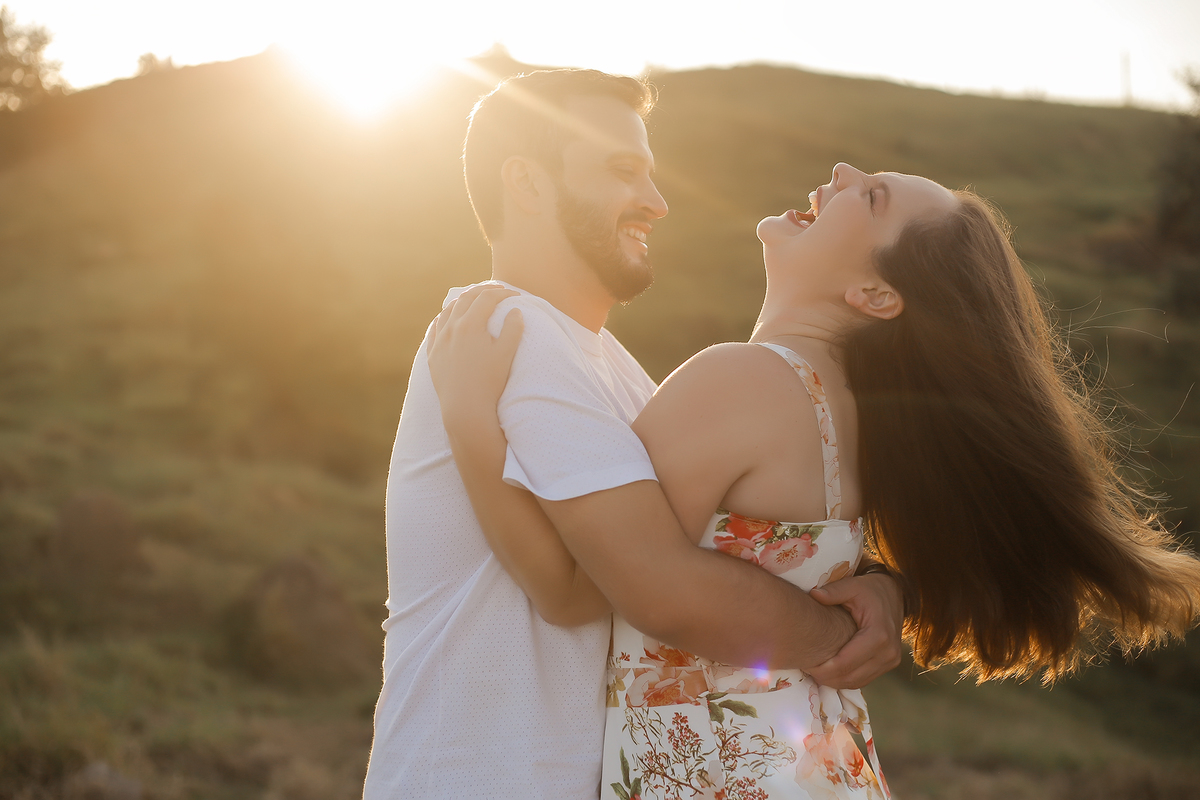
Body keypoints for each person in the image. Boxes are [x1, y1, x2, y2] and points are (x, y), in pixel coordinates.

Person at [426, 157, 1200, 800]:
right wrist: (890, 590)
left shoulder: (741, 381)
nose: (842, 170)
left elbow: (573, 592)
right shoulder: (855, 415)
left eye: (872, 196)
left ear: (876, 295)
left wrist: (466, 417)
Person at [361, 70, 906, 800]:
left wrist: (881, 588)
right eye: (623, 171)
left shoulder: (617, 373)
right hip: (481, 777)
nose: (656, 201)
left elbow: (709, 549)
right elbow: (607, 589)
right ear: (527, 183)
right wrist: (835, 634)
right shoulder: (509, 330)